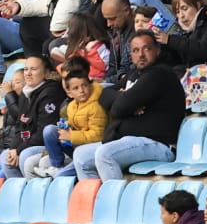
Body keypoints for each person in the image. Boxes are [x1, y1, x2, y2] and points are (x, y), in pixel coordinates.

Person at [73, 30, 183, 178]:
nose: (141, 55)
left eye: (147, 48)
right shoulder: (134, 74)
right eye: (135, 50)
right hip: (128, 141)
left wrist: (124, 101)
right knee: (81, 156)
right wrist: (124, 96)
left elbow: (118, 109)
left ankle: (115, 200)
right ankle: (97, 200)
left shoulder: (159, 74)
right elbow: (104, 95)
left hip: (158, 144)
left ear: (157, 50)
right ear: (130, 55)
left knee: (105, 154)